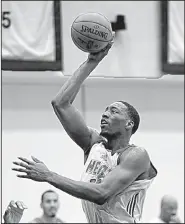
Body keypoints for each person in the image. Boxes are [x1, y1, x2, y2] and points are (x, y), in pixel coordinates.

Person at [12, 40, 157, 223]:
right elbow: (61, 104)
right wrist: (91, 62)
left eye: (114, 111)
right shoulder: (94, 144)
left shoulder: (137, 155)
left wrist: (49, 176)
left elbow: (102, 193)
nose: (105, 114)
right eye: (105, 110)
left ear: (129, 124)